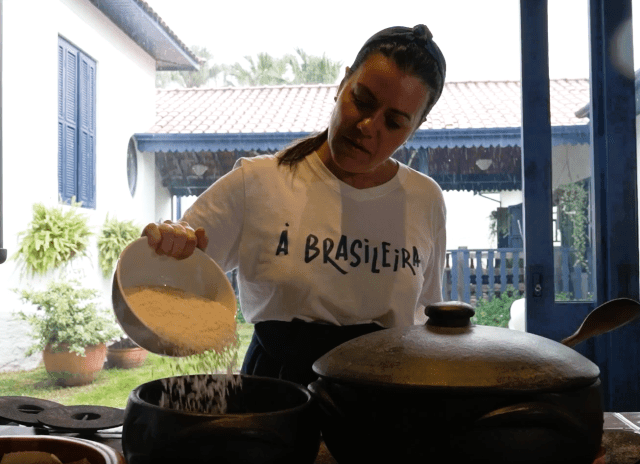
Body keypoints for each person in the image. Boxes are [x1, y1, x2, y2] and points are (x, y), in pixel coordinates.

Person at [143, 24, 447, 387]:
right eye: (362, 101)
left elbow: (426, 316)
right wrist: (168, 244)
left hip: (379, 402)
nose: (368, 126)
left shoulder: (424, 199)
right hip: (275, 397)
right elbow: (169, 279)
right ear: (342, 83)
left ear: (417, 126)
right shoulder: (258, 182)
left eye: (394, 122)